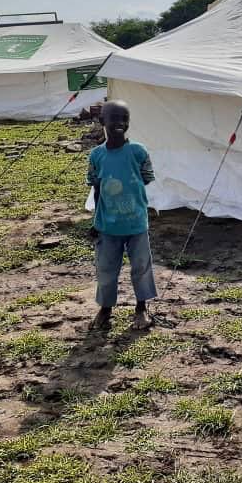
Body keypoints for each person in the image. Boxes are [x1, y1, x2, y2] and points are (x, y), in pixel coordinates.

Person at [86, 100, 157, 332]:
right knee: (106, 269)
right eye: (114, 118)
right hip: (107, 225)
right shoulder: (96, 156)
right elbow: (96, 189)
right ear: (102, 122)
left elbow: (145, 178)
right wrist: (96, 221)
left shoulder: (138, 152)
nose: (120, 123)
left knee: (141, 267)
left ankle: (141, 308)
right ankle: (105, 309)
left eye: (124, 119)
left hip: (136, 223)